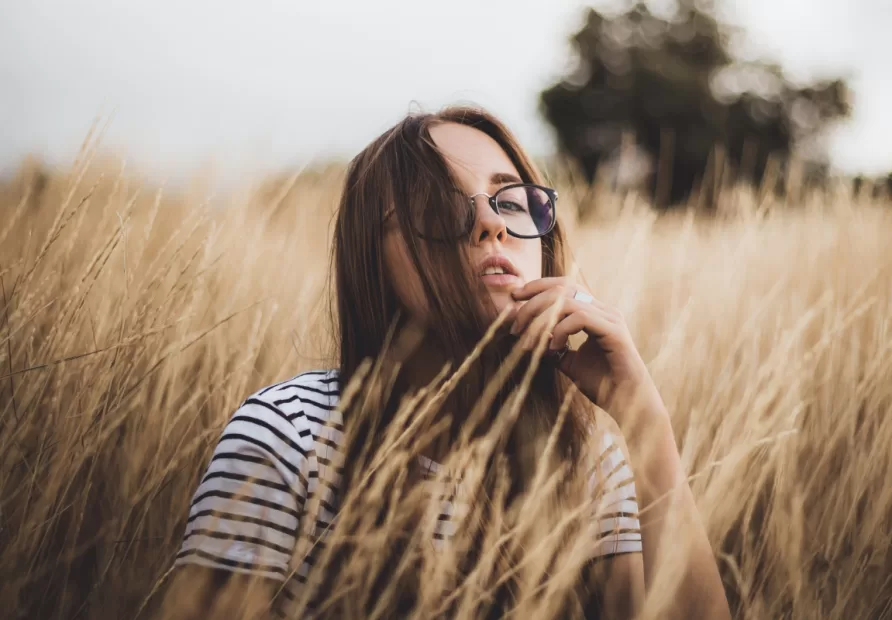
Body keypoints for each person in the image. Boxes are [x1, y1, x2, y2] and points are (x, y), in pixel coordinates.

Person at [162, 106, 730, 619]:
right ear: (372, 259)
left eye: (510, 200)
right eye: (435, 206)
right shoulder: (288, 438)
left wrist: (645, 423)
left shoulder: (586, 457)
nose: (492, 224)